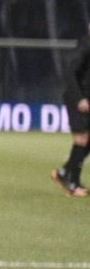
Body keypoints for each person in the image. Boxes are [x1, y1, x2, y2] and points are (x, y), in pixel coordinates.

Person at [53, 23, 90, 196]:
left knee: (86, 141)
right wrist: (79, 98)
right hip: (78, 98)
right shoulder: (85, 45)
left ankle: (66, 175)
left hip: (86, 98)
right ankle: (72, 183)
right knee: (82, 138)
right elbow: (71, 72)